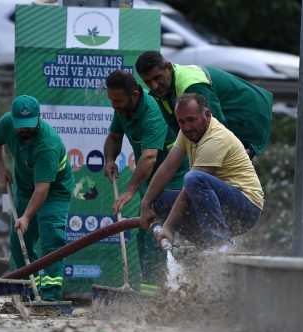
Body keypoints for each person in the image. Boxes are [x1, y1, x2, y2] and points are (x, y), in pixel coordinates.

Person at [140, 93, 263, 251]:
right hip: (218, 203)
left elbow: (187, 192)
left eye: (191, 120)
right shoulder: (186, 133)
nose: (186, 127)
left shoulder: (216, 138)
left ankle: (220, 241)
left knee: (194, 178)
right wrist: (145, 204)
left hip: (246, 208)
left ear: (207, 115)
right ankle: (204, 243)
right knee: (159, 199)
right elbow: (167, 167)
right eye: (181, 122)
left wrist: (167, 227)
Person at [103, 70, 190, 289]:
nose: (114, 106)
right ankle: (150, 291)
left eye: (118, 100)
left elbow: (149, 157)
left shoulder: (153, 112)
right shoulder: (122, 109)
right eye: (111, 100)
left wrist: (130, 191)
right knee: (145, 232)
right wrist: (109, 159)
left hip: (172, 179)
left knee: (159, 233)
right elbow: (114, 137)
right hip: (150, 180)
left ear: (134, 95)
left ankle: (168, 291)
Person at [0, 95, 74, 302]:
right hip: (26, 190)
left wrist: (26, 217)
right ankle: (31, 287)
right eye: (20, 126)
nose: (24, 130)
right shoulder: (7, 122)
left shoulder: (48, 144)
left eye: (29, 125)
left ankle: (51, 295)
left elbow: (42, 189)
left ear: (39, 118)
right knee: (18, 242)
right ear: (13, 119)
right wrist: (1, 169)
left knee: (51, 239)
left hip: (54, 192)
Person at [135, 51, 273, 159]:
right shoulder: (162, 92)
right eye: (147, 82)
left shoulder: (192, 85)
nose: (154, 86)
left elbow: (215, 127)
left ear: (168, 68)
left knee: (227, 170)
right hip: (231, 117)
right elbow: (180, 132)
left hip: (249, 114)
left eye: (157, 77)